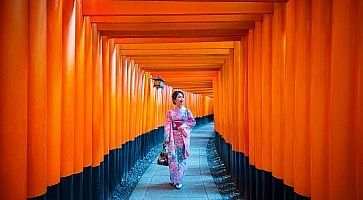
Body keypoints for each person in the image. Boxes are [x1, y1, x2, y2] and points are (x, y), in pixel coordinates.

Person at [163, 90, 196, 189]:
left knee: (182, 158)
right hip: (173, 137)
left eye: (182, 97)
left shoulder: (187, 112)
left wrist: (184, 125)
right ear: (174, 99)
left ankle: (179, 180)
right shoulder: (170, 112)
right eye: (179, 97)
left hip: (183, 137)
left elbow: (192, 122)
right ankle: (173, 179)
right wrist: (166, 138)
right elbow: (167, 125)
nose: (181, 99)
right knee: (173, 158)